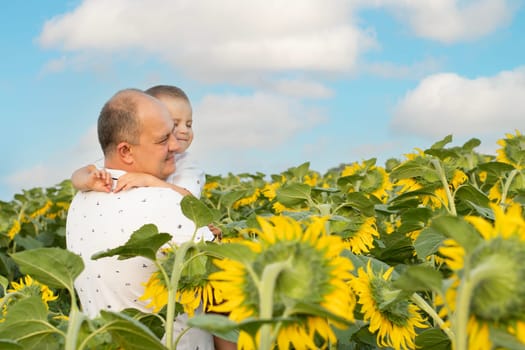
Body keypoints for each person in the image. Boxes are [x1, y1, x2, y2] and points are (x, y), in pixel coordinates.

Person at [66, 88, 215, 349]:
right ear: (125, 151)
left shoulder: (80, 200)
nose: (174, 146)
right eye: (162, 140)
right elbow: (226, 276)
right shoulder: (166, 204)